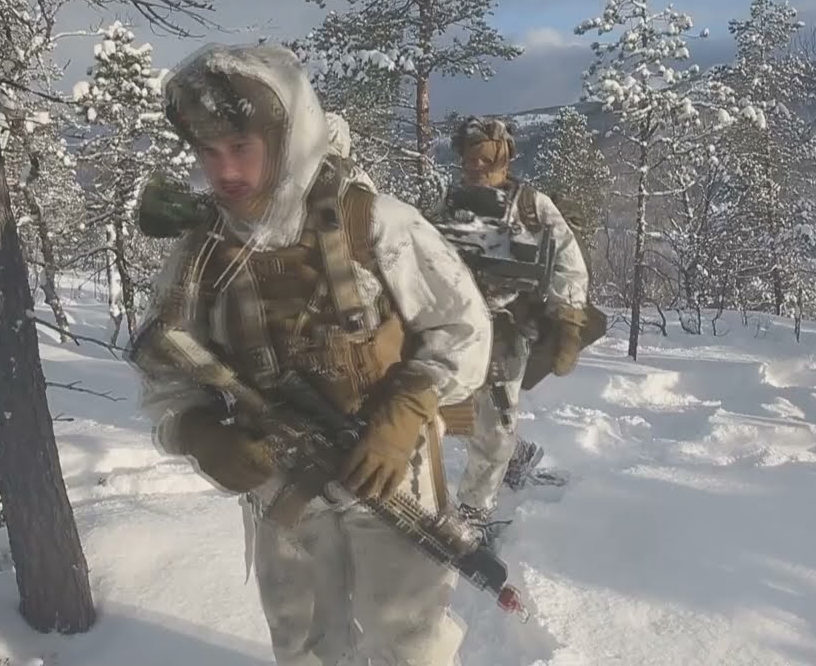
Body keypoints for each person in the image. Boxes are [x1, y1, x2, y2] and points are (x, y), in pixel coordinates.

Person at [135, 43, 491, 666]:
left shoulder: (375, 224)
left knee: (409, 644)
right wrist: (197, 432)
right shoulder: (200, 252)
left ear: (288, 136)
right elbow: (164, 370)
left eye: (241, 147)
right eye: (209, 152)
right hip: (280, 484)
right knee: (301, 646)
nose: (224, 171)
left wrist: (406, 407)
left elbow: (462, 328)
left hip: (389, 471)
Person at [436, 116, 591, 535]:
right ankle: (516, 457)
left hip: (507, 326)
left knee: (495, 421)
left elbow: (568, 261)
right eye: (469, 158)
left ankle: (473, 514)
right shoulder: (450, 205)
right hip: (456, 324)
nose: (477, 166)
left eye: (486, 158)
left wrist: (569, 322)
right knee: (446, 412)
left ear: (504, 157)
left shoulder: (531, 206)